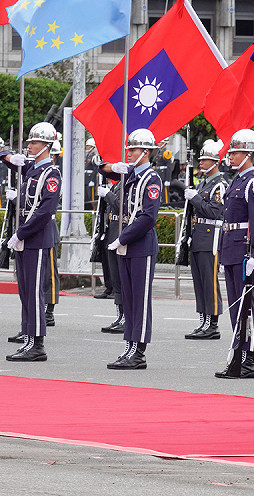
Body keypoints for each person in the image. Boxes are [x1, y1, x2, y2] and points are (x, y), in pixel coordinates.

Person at [99, 129, 162, 370]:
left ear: (145, 153)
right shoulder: (130, 176)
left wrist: (123, 237)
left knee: (140, 299)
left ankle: (138, 351)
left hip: (140, 245)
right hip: (126, 244)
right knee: (128, 298)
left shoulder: (151, 179)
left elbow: (148, 217)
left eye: (134, 149)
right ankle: (129, 346)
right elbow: (100, 168)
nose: (129, 152)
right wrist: (115, 167)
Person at [2, 122, 61, 361]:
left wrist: (21, 234)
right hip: (26, 240)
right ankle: (27, 339)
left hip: (35, 239)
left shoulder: (50, 174)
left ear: (46, 146)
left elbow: (44, 212)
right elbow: (7, 158)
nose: (29, 146)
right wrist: (7, 155)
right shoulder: (32, 169)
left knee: (34, 293)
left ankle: (37, 344)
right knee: (25, 292)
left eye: (34, 142)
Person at [214, 129, 254, 379]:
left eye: (235, 152)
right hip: (232, 248)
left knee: (248, 306)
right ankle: (238, 354)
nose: (231, 156)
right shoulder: (237, 180)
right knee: (237, 307)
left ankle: (248, 359)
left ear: (247, 154)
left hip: (246, 252)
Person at [184, 141, 227, 340]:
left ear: (215, 162)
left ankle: (213, 324)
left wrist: (195, 199)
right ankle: (203, 321)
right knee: (200, 282)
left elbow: (214, 211)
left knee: (209, 282)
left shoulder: (219, 185)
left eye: (205, 159)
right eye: (200, 159)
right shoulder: (204, 183)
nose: (201, 162)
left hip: (211, 236)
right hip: (198, 236)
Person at [97, 178, 126, 334]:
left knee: (122, 280)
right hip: (112, 232)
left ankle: (126, 317)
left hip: (121, 233)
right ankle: (120, 316)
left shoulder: (128, 184)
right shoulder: (117, 185)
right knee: (116, 280)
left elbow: (121, 206)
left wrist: (108, 195)